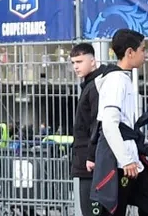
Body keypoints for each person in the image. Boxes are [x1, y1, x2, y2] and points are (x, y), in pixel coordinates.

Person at [92, 29, 148, 216]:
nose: (145, 55)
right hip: (121, 161)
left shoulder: (122, 79)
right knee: (115, 209)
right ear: (130, 52)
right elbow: (109, 124)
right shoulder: (116, 81)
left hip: (130, 157)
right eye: (142, 50)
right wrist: (126, 159)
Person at [67, 42, 101, 216]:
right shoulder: (89, 86)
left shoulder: (94, 87)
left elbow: (97, 124)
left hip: (90, 165)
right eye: (73, 62)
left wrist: (91, 156)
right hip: (86, 162)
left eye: (79, 61)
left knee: (91, 211)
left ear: (93, 61)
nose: (75, 66)